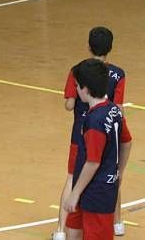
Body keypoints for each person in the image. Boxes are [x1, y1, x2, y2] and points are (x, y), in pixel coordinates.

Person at [53, 27, 127, 240]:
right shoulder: (118, 74)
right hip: (108, 134)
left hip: (81, 135)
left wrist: (76, 99)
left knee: (72, 179)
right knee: (111, 176)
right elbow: (119, 106)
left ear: (88, 46)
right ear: (110, 48)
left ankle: (60, 229)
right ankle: (118, 223)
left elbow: (68, 105)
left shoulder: (78, 70)